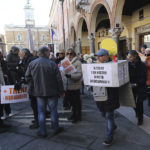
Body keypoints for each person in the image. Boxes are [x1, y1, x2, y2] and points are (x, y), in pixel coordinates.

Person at [25, 46, 65, 137]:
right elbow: (59, 79)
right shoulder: (52, 64)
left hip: (39, 92)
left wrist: (34, 84)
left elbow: (27, 77)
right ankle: (55, 128)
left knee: (41, 112)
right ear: (46, 53)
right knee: (53, 111)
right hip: (52, 91)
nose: (49, 54)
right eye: (49, 52)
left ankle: (43, 131)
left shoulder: (32, 63)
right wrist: (61, 91)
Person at [93, 49, 120, 146]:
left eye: (100, 56)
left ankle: (109, 137)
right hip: (99, 94)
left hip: (110, 95)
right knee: (103, 113)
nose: (98, 58)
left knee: (108, 115)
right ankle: (113, 125)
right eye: (98, 56)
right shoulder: (94, 66)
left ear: (106, 56)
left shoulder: (113, 65)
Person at [18, 48, 38, 129]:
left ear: (25, 53)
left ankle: (38, 121)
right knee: (36, 104)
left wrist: (23, 79)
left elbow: (28, 74)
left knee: (35, 104)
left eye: (21, 54)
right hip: (34, 84)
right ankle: (38, 119)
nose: (19, 55)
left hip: (34, 85)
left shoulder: (29, 60)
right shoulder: (28, 59)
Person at [128, 50, 147, 125]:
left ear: (135, 57)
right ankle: (137, 112)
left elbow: (144, 78)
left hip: (140, 87)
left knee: (139, 103)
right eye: (128, 57)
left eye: (130, 57)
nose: (128, 58)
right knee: (132, 103)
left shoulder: (142, 65)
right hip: (131, 87)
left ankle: (140, 118)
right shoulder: (128, 65)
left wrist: (136, 84)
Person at [63, 48, 82, 123]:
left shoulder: (78, 63)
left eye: (71, 53)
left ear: (73, 54)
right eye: (67, 53)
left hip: (75, 85)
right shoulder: (64, 62)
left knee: (76, 103)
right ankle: (73, 114)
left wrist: (70, 76)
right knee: (71, 102)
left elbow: (79, 75)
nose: (69, 55)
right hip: (67, 86)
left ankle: (77, 116)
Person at [0, 52, 12, 119]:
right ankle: (2, 116)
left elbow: (7, 71)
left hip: (5, 83)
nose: (2, 58)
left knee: (6, 99)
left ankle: (8, 112)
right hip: (2, 84)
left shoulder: (4, 63)